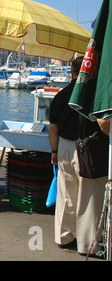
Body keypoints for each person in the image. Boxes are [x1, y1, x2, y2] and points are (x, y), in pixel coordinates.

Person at [49, 56, 107, 256]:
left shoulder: (61, 95)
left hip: (64, 145)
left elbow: (53, 128)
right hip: (90, 147)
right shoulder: (97, 95)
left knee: (66, 194)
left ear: (72, 72)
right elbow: (104, 125)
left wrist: (54, 151)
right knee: (89, 198)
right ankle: (87, 244)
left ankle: (63, 236)